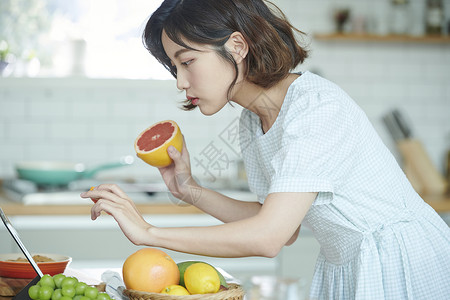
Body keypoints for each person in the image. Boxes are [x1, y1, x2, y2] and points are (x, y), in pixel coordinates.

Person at [81, 0, 450, 299]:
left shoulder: (315, 106)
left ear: (237, 46)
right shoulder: (252, 122)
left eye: (187, 61)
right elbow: (278, 225)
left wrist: (149, 234)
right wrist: (189, 190)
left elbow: (269, 236)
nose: (180, 82)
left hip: (403, 261)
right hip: (348, 265)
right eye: (174, 67)